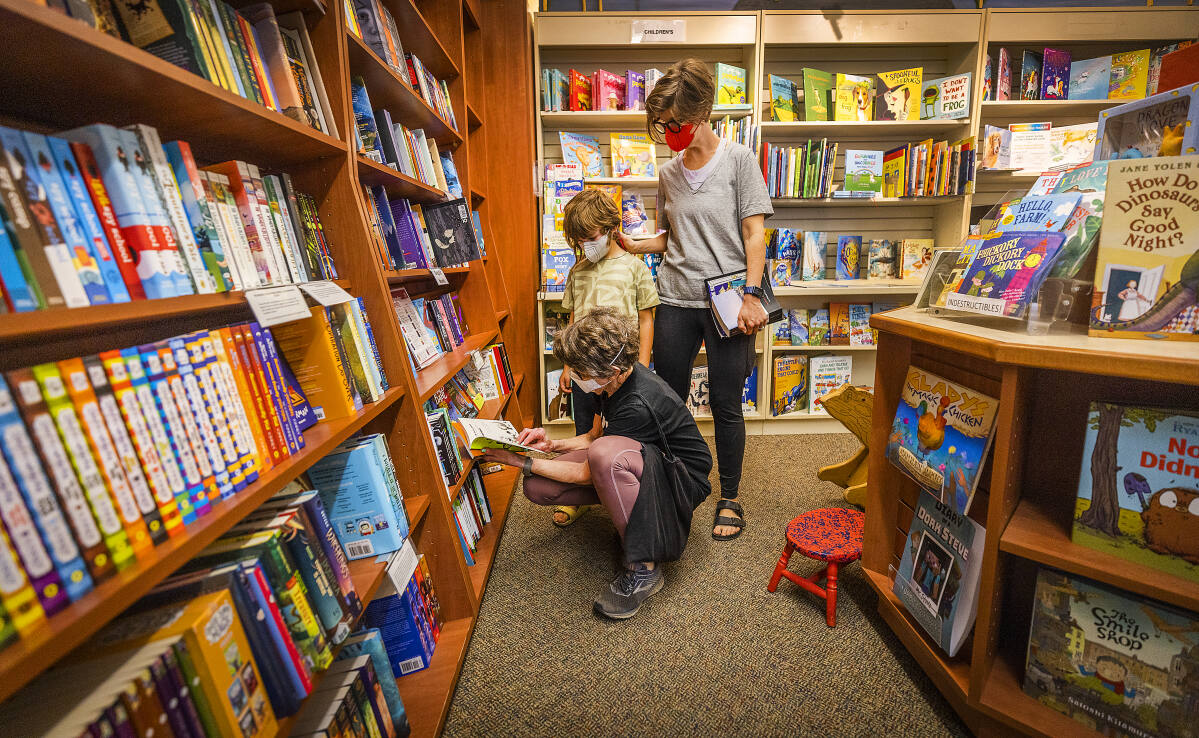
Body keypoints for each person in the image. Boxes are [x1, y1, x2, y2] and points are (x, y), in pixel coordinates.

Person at [617, 58, 773, 541]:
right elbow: (673, 236)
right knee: (667, 399)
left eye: (675, 124)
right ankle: (677, 482)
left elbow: (754, 235)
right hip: (675, 300)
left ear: (702, 113)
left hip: (728, 302)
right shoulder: (667, 173)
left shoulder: (740, 161)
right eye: (661, 126)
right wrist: (639, 245)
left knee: (726, 402)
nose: (668, 133)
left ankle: (730, 495)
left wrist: (750, 295)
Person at [480, 308, 712, 620]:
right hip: (644, 459)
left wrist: (520, 461)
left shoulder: (639, 402)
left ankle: (645, 569)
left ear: (612, 369)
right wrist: (552, 445)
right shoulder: (611, 384)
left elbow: (587, 469)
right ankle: (628, 510)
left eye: (581, 372)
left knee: (604, 458)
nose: (575, 377)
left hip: (681, 479)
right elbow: (594, 435)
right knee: (539, 486)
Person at [551, 189, 659, 529]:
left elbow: (646, 319)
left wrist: (640, 365)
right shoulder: (578, 272)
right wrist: (568, 366)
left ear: (611, 228)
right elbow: (573, 320)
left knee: (623, 431)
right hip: (584, 368)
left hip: (622, 369)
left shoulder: (634, 268)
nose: (586, 244)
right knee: (585, 428)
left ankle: (626, 491)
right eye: (580, 240)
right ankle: (582, 495)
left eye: (591, 237)